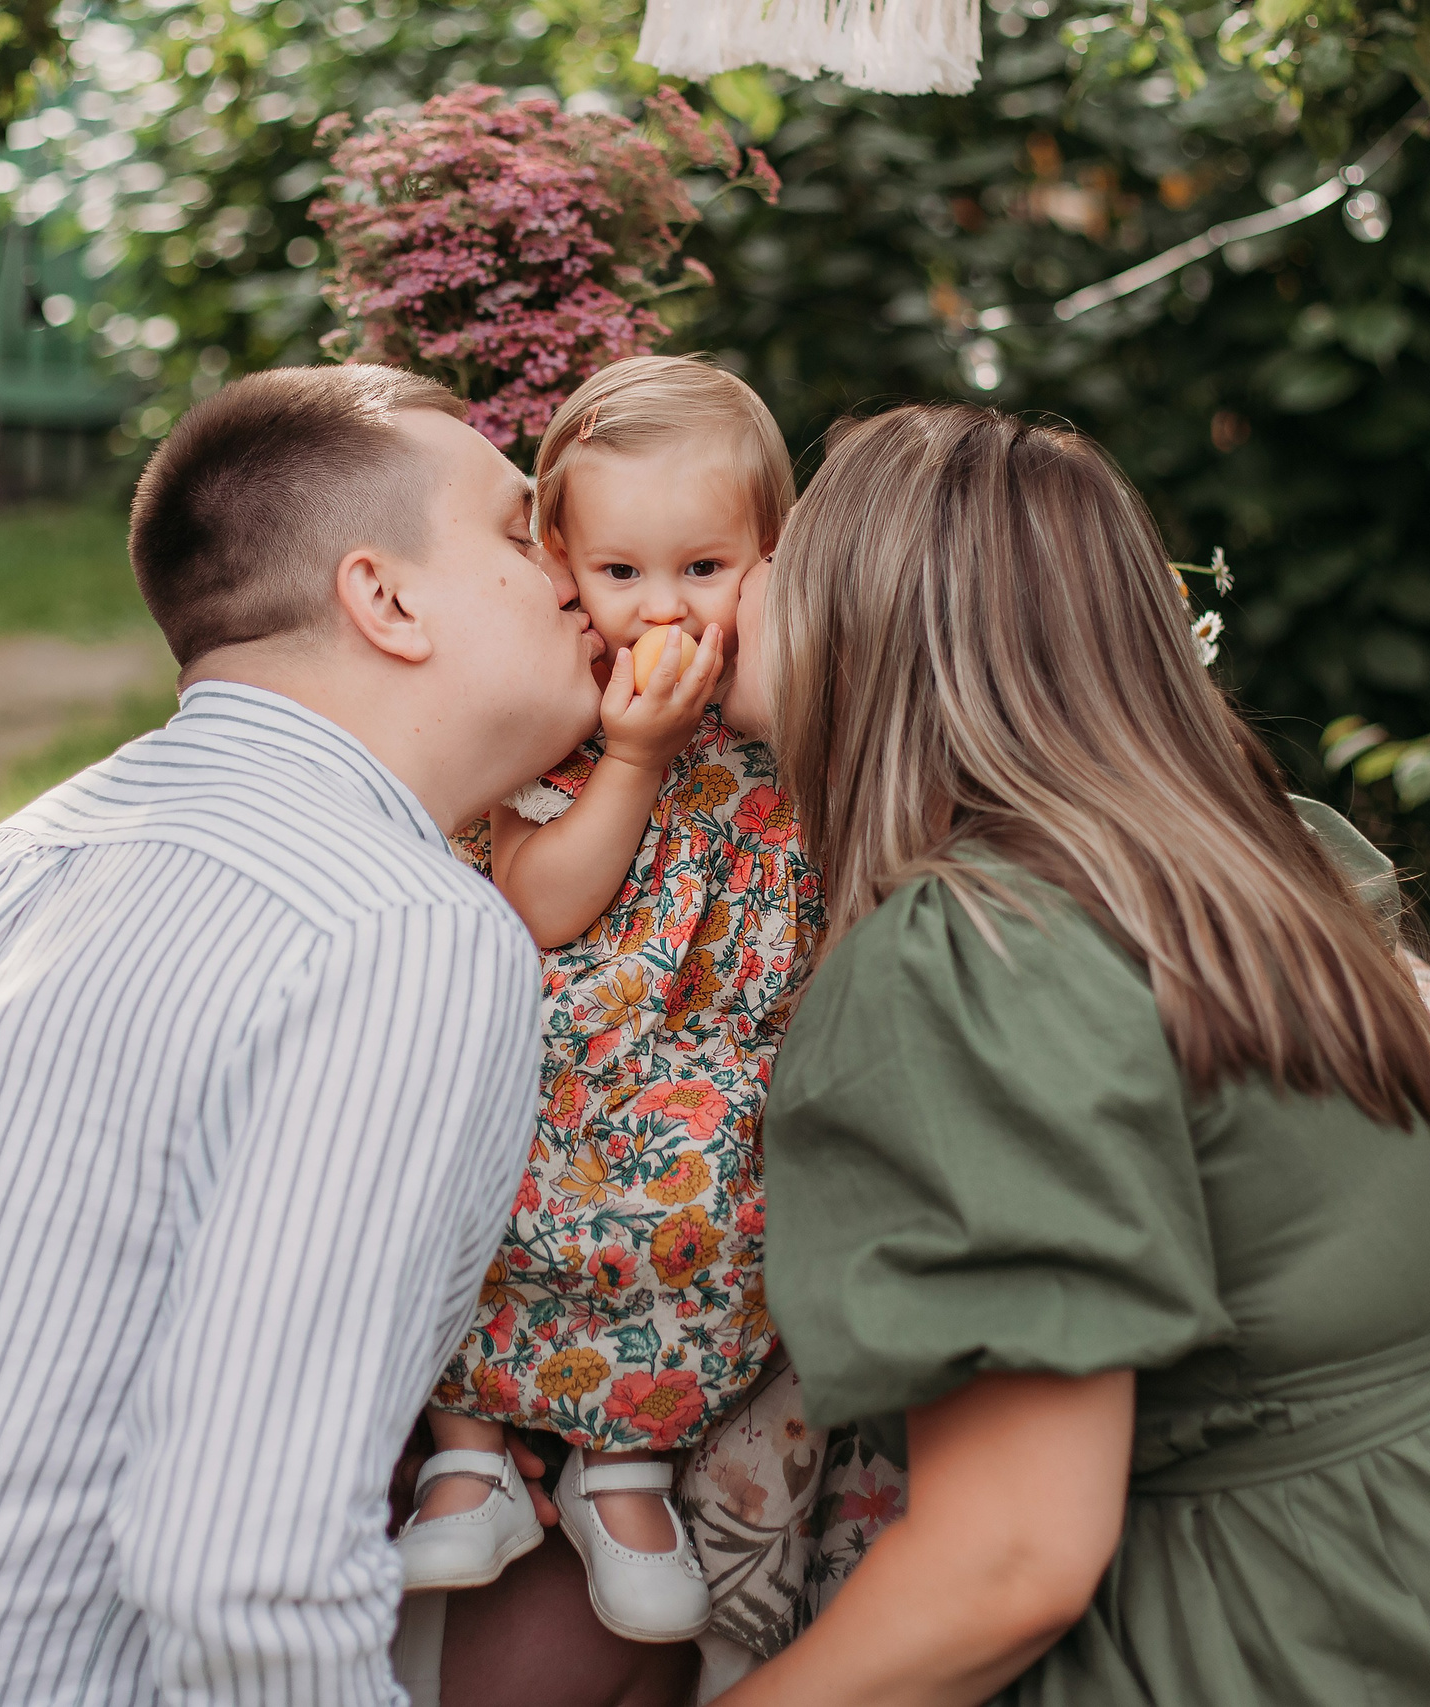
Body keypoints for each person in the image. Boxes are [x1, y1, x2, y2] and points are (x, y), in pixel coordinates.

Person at [0, 364, 603, 1707]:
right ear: (384, 599)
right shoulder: (400, 929)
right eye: (516, 530)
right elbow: (247, 1578)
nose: (570, 574)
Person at [712, 403, 1430, 1706]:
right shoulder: (1241, 865)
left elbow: (1008, 1562)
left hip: (1306, 1635)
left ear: (869, 630)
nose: (746, 586)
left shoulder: (969, 957)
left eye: (788, 555)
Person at [403, 356, 822, 1646]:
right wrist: (634, 756)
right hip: (555, 1042)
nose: (664, 608)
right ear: (561, 568)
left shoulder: (779, 714)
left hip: (705, 1065)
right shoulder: (563, 715)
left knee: (705, 1210)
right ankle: (468, 1457)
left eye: (705, 567)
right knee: (461, 1177)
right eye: (621, 571)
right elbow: (535, 901)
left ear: (775, 557)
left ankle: (621, 1469)